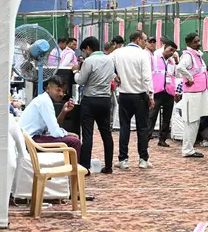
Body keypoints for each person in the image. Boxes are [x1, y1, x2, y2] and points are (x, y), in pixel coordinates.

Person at [111, 31, 154, 169]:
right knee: (143, 128)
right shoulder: (143, 54)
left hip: (124, 95)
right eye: (145, 40)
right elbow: (147, 76)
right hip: (140, 95)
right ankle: (143, 159)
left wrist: (113, 75)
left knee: (125, 127)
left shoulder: (118, 52)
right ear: (137, 40)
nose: (146, 43)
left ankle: (123, 159)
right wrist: (151, 95)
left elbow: (106, 63)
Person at [73, 36, 115, 174]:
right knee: (106, 134)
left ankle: (85, 167)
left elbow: (80, 80)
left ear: (89, 48)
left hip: (90, 100)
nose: (84, 53)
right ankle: (108, 166)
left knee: (88, 134)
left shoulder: (89, 61)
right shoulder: (109, 59)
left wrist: (75, 71)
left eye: (85, 50)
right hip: (105, 100)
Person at [19, 75, 81, 162]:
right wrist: (67, 133)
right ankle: (75, 173)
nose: (61, 94)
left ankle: (69, 170)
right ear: (48, 88)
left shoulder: (44, 99)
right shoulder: (45, 102)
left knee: (69, 139)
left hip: (29, 140)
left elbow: (53, 127)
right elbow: (55, 132)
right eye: (58, 90)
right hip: (30, 142)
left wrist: (64, 111)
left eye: (63, 91)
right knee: (74, 142)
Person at [176, 33, 208, 158]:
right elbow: (180, 67)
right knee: (191, 122)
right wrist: (189, 78)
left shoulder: (197, 55)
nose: (198, 43)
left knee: (195, 122)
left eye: (199, 41)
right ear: (189, 43)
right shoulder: (188, 55)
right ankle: (187, 149)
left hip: (199, 92)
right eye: (195, 42)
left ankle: (189, 148)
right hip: (192, 93)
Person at [148, 39, 179, 147]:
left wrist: (177, 60)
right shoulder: (154, 58)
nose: (171, 53)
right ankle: (146, 138)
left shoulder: (172, 61)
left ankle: (162, 139)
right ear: (164, 47)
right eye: (170, 50)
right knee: (152, 116)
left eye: (173, 51)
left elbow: (176, 74)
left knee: (167, 117)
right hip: (157, 91)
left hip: (169, 92)